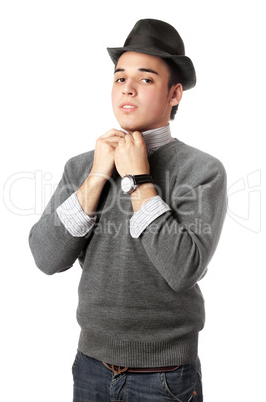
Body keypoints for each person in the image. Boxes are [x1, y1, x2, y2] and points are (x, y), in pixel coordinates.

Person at [29, 19, 227, 401]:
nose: (129, 88)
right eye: (120, 78)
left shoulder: (202, 170)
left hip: (165, 376)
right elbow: (46, 257)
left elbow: (183, 269)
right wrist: (99, 174)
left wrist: (138, 178)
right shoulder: (82, 165)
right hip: (90, 367)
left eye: (147, 79)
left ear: (175, 94)